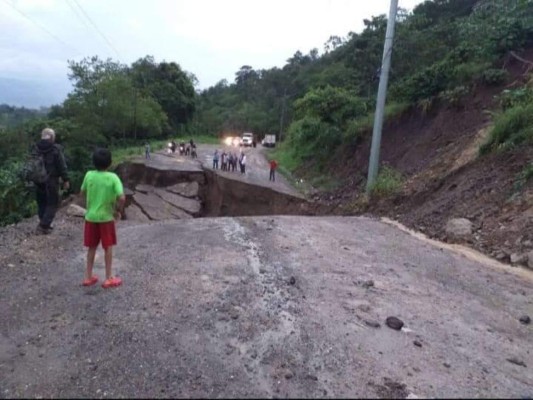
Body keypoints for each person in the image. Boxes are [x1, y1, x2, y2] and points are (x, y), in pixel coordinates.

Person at [80, 148, 125, 289]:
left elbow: (82, 192)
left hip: (91, 217)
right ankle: (108, 277)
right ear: (110, 163)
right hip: (106, 218)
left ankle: (88, 277)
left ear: (93, 162)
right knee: (108, 247)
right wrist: (118, 210)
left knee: (92, 247)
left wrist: (90, 204)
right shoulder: (113, 177)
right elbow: (122, 197)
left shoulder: (89, 175)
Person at [33, 128, 70, 235]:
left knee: (41, 202)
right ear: (52, 137)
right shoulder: (55, 149)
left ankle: (44, 223)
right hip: (51, 180)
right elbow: (61, 165)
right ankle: (43, 225)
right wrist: (66, 179)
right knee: (53, 202)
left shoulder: (35, 148)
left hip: (37, 180)